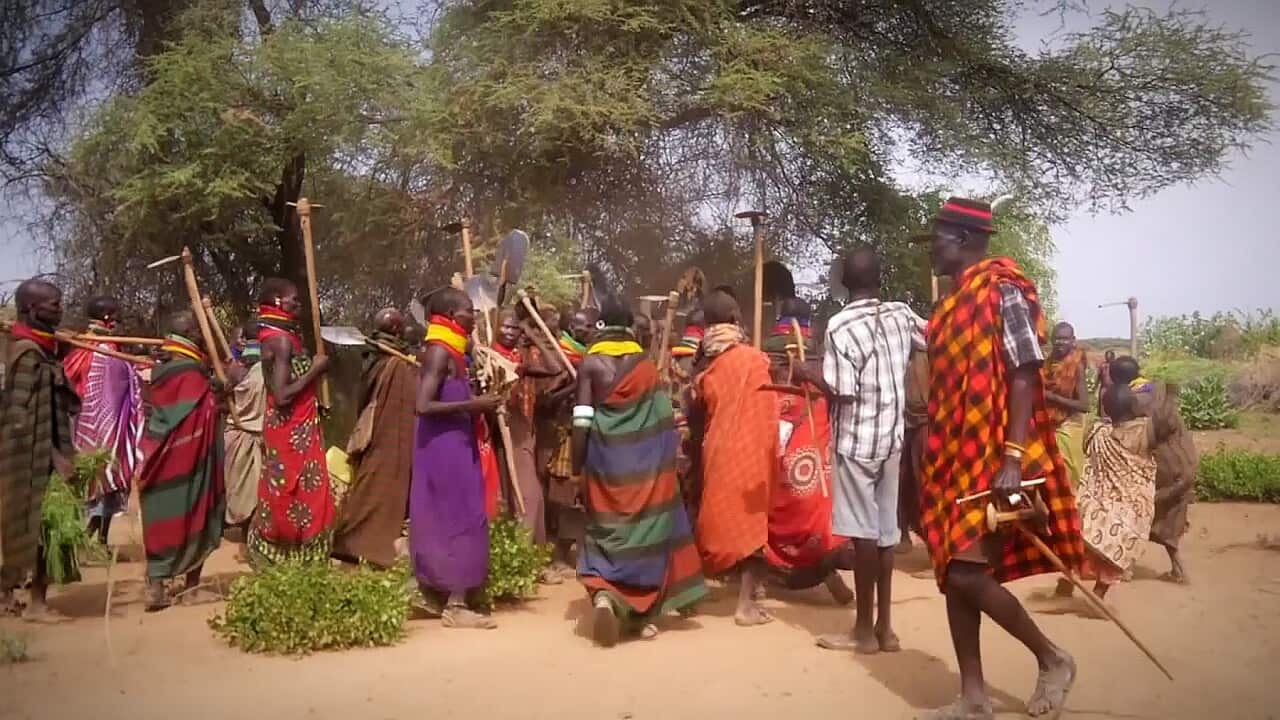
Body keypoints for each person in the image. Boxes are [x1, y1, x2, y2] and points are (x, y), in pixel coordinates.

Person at [918, 198, 1083, 720]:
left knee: (967, 571)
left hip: (991, 453)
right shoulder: (948, 306)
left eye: (937, 240)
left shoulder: (1001, 292)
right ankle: (972, 696)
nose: (932, 250)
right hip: (950, 457)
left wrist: (1012, 455)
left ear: (963, 240)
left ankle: (1052, 657)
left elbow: (1022, 372)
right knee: (953, 571)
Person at [571, 300, 707, 645]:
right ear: (630, 328)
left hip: (604, 462)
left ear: (600, 326)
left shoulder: (590, 364)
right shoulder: (646, 366)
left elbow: (582, 421)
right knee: (648, 532)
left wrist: (577, 466)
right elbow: (663, 419)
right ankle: (641, 616)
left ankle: (604, 594)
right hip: (644, 467)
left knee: (604, 528)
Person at [813, 247, 925, 654]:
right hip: (893, 439)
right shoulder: (899, 313)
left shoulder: (839, 327)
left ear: (843, 281)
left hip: (857, 443)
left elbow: (842, 392)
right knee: (885, 535)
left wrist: (813, 376)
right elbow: (930, 338)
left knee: (863, 535)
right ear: (880, 277)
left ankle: (862, 631)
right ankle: (886, 629)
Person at [412, 288, 501, 629]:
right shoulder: (438, 352)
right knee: (458, 517)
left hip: (456, 443)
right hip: (443, 448)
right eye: (468, 311)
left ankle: (438, 593)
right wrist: (475, 405)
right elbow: (422, 406)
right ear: (449, 315)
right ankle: (456, 603)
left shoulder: (455, 352)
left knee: (455, 515)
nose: (473, 316)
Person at [687, 290, 777, 626]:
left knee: (716, 519)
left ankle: (691, 588)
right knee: (752, 527)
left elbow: (696, 409)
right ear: (736, 319)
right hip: (749, 451)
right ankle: (746, 606)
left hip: (716, 450)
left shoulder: (705, 362)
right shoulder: (754, 359)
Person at [760, 298, 854, 605]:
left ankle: (792, 567)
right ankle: (824, 567)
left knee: (774, 497)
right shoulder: (819, 348)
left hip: (777, 423)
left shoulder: (766, 347)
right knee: (812, 497)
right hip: (811, 428)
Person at [0, 279, 79, 620]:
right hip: (31, 457)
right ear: (32, 309)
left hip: (45, 453)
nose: (59, 308)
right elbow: (22, 419)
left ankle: (19, 598)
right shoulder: (27, 355)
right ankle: (35, 604)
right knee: (34, 525)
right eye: (53, 304)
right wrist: (56, 457)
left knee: (37, 524)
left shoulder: (42, 348)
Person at [137, 311, 226, 610]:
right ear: (188, 332)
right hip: (191, 459)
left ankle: (156, 584)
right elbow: (207, 408)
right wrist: (222, 393)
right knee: (196, 512)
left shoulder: (161, 371)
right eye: (198, 332)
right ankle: (191, 588)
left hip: (160, 456)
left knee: (161, 516)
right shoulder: (191, 373)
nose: (203, 337)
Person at [246, 278, 335, 566]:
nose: (297, 304)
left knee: (292, 490)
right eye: (293, 299)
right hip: (290, 431)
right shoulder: (280, 340)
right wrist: (316, 371)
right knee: (293, 491)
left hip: (295, 428)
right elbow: (282, 394)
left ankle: (291, 559)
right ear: (276, 302)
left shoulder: (280, 336)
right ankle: (295, 558)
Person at [332, 309, 418, 568]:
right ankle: (368, 547)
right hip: (390, 435)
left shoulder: (378, 357)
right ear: (397, 331)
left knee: (369, 485)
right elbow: (404, 400)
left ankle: (358, 545)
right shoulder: (395, 363)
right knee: (381, 489)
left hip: (378, 434)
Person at [62, 296, 143, 547]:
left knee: (101, 483)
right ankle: (87, 537)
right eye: (116, 314)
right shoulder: (104, 351)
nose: (119, 320)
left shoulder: (82, 346)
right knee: (103, 479)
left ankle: (101, 538)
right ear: (108, 317)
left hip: (83, 427)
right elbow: (116, 390)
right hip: (104, 427)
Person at [1110, 356, 1197, 583]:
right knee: (1167, 518)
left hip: (1164, 468)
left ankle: (1125, 565)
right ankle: (1178, 570)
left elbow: (1134, 436)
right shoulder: (1153, 390)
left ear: (1114, 377)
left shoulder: (1134, 400)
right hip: (1184, 462)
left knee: (1135, 511)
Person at [1071, 384, 1156, 602]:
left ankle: (1065, 585)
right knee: (1113, 555)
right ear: (1133, 407)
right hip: (1129, 510)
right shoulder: (1144, 432)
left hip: (1097, 505)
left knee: (1083, 546)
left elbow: (1086, 451)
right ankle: (1098, 595)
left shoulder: (1096, 431)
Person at [224, 321, 265, 535]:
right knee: (254, 489)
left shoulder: (235, 369)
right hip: (254, 436)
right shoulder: (272, 369)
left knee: (236, 486)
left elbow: (222, 396)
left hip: (237, 435)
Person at [1044, 322, 1090, 486]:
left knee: (1069, 472)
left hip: (1071, 424)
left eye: (1064, 339)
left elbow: (1084, 405)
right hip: (1050, 422)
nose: (1059, 343)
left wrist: (1051, 397)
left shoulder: (1076, 366)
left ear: (1073, 340)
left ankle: (1073, 504)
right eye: (1056, 339)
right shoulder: (1048, 363)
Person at [1096, 350, 1116, 419]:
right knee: (1103, 404)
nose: (1108, 357)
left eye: (1110, 356)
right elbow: (1098, 377)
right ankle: (1103, 419)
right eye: (1107, 356)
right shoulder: (1102, 365)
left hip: (1114, 388)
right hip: (1104, 387)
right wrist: (1095, 387)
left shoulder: (1116, 365)